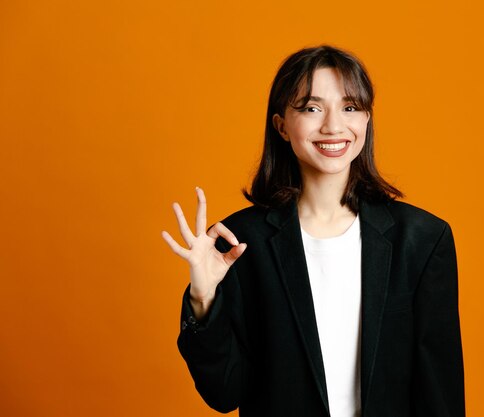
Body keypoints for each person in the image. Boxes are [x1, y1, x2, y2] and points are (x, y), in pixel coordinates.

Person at [162, 45, 465, 417]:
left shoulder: (421, 239)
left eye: (350, 107)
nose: (333, 126)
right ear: (282, 126)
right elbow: (224, 393)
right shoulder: (239, 242)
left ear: (366, 120)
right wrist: (204, 298)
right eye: (311, 108)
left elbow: (440, 393)